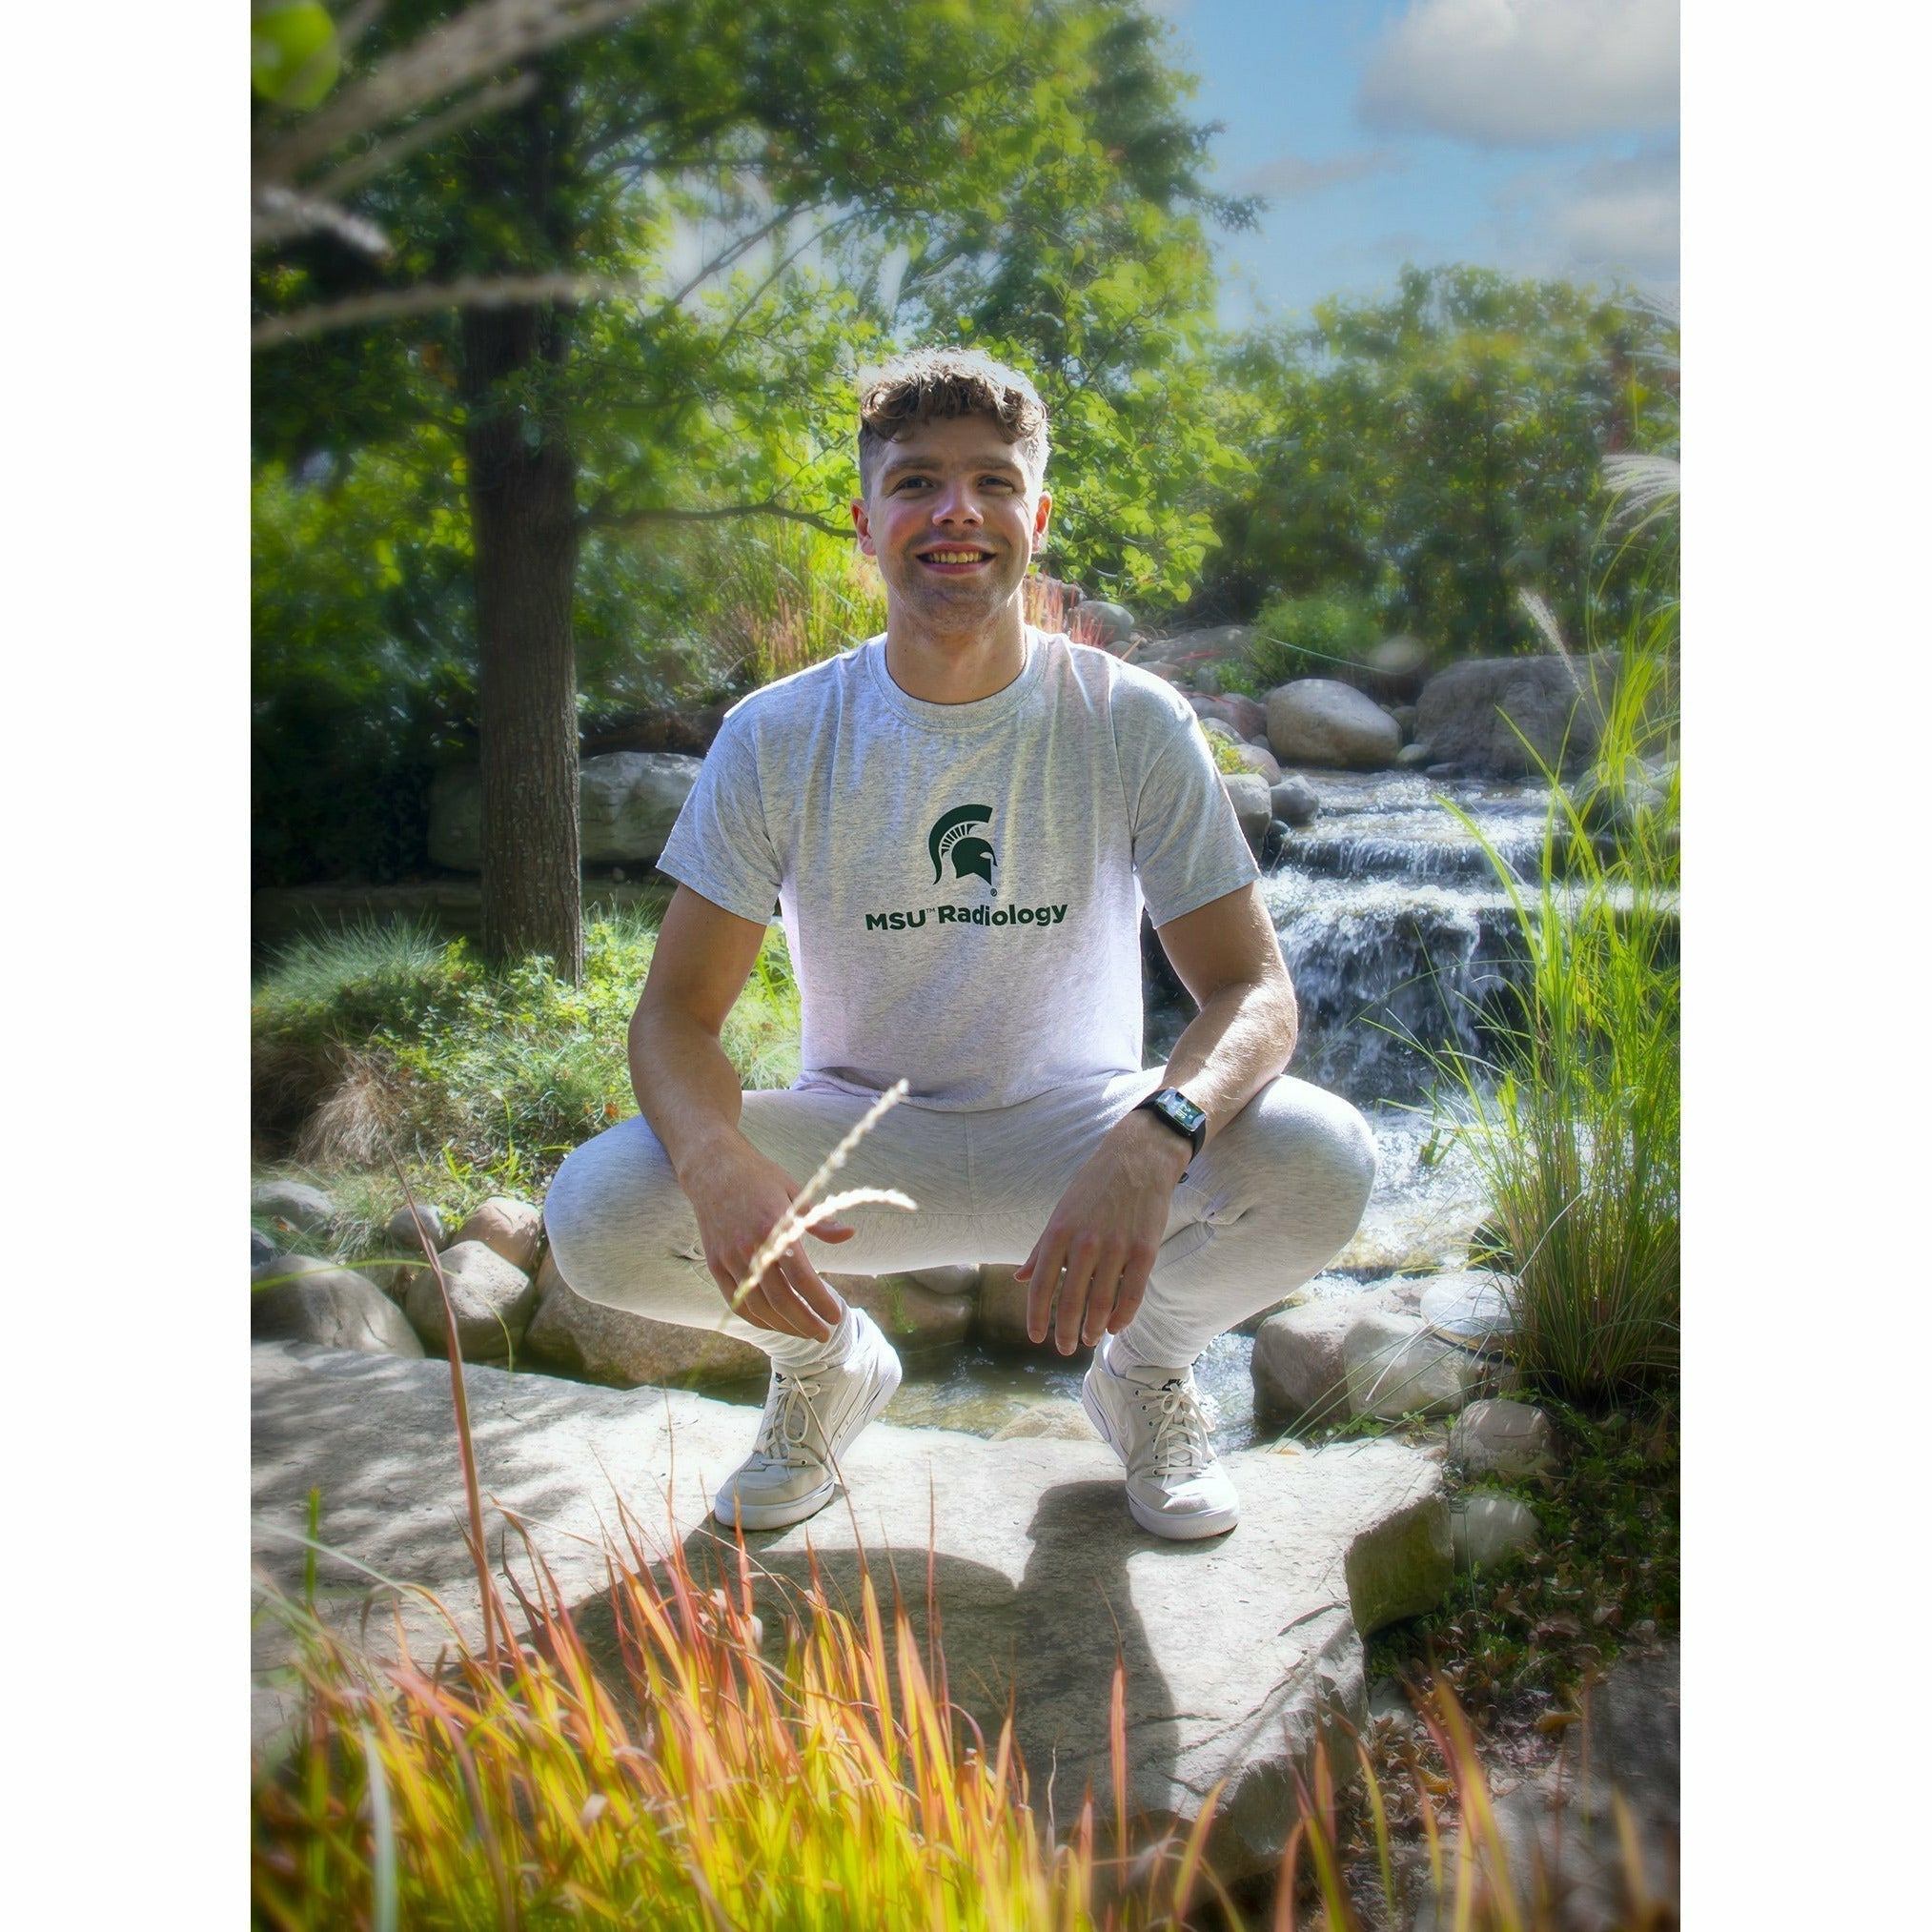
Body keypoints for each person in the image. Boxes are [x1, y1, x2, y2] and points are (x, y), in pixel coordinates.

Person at [543, 346, 1376, 1541]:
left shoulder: (1130, 717)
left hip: (1083, 1129)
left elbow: (1252, 992)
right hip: (859, 1144)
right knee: (601, 1206)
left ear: (1033, 518)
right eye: (916, 481)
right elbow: (676, 1014)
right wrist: (716, 1156)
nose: (955, 513)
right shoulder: (775, 733)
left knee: (1323, 1153)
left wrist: (1159, 1132)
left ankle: (1144, 1373)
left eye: (990, 483)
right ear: (864, 519)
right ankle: (825, 1365)